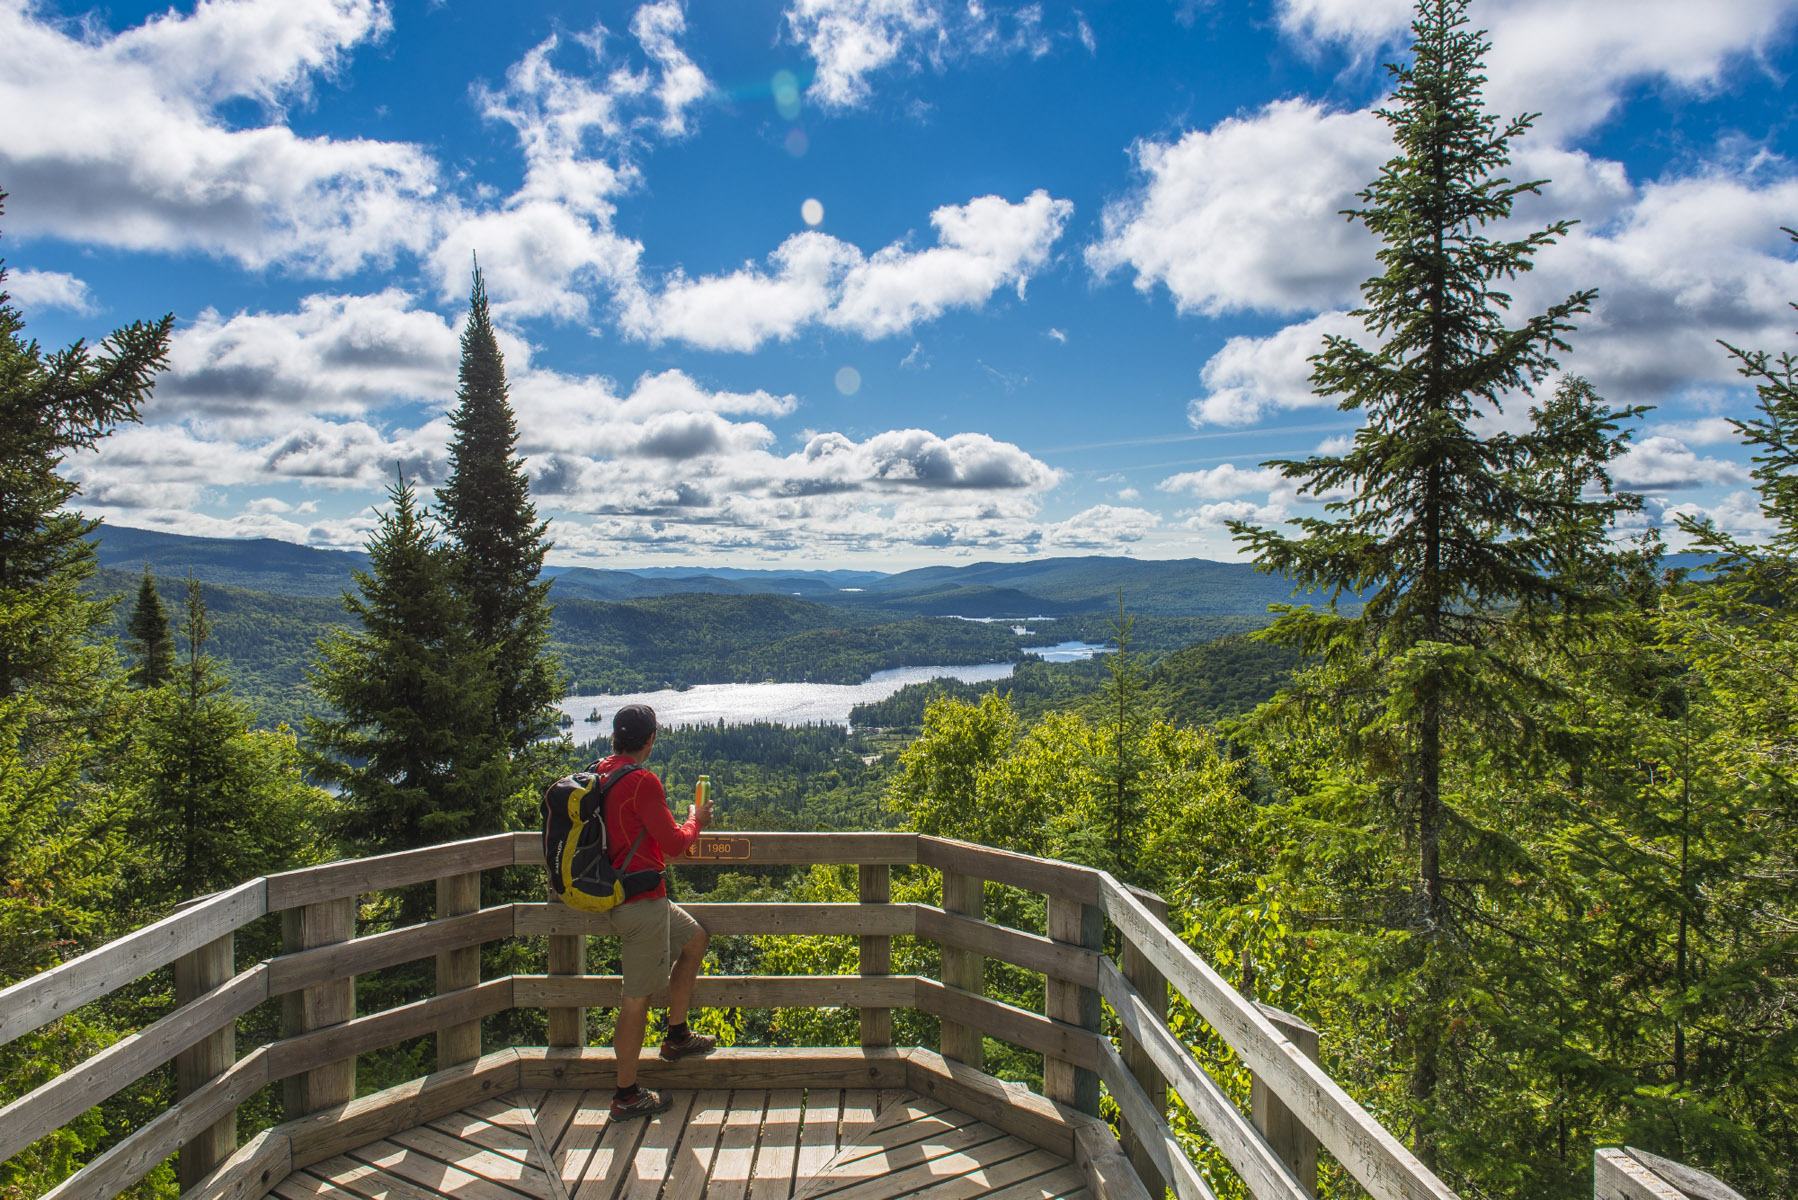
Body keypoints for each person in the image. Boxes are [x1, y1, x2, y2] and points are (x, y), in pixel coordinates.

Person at [587, 703, 716, 1119]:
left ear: (614, 737)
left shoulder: (600, 771)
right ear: (650, 739)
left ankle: (676, 1034)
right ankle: (626, 1095)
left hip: (621, 893)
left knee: (694, 939)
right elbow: (676, 843)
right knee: (636, 1000)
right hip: (640, 904)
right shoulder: (642, 782)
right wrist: (696, 819)